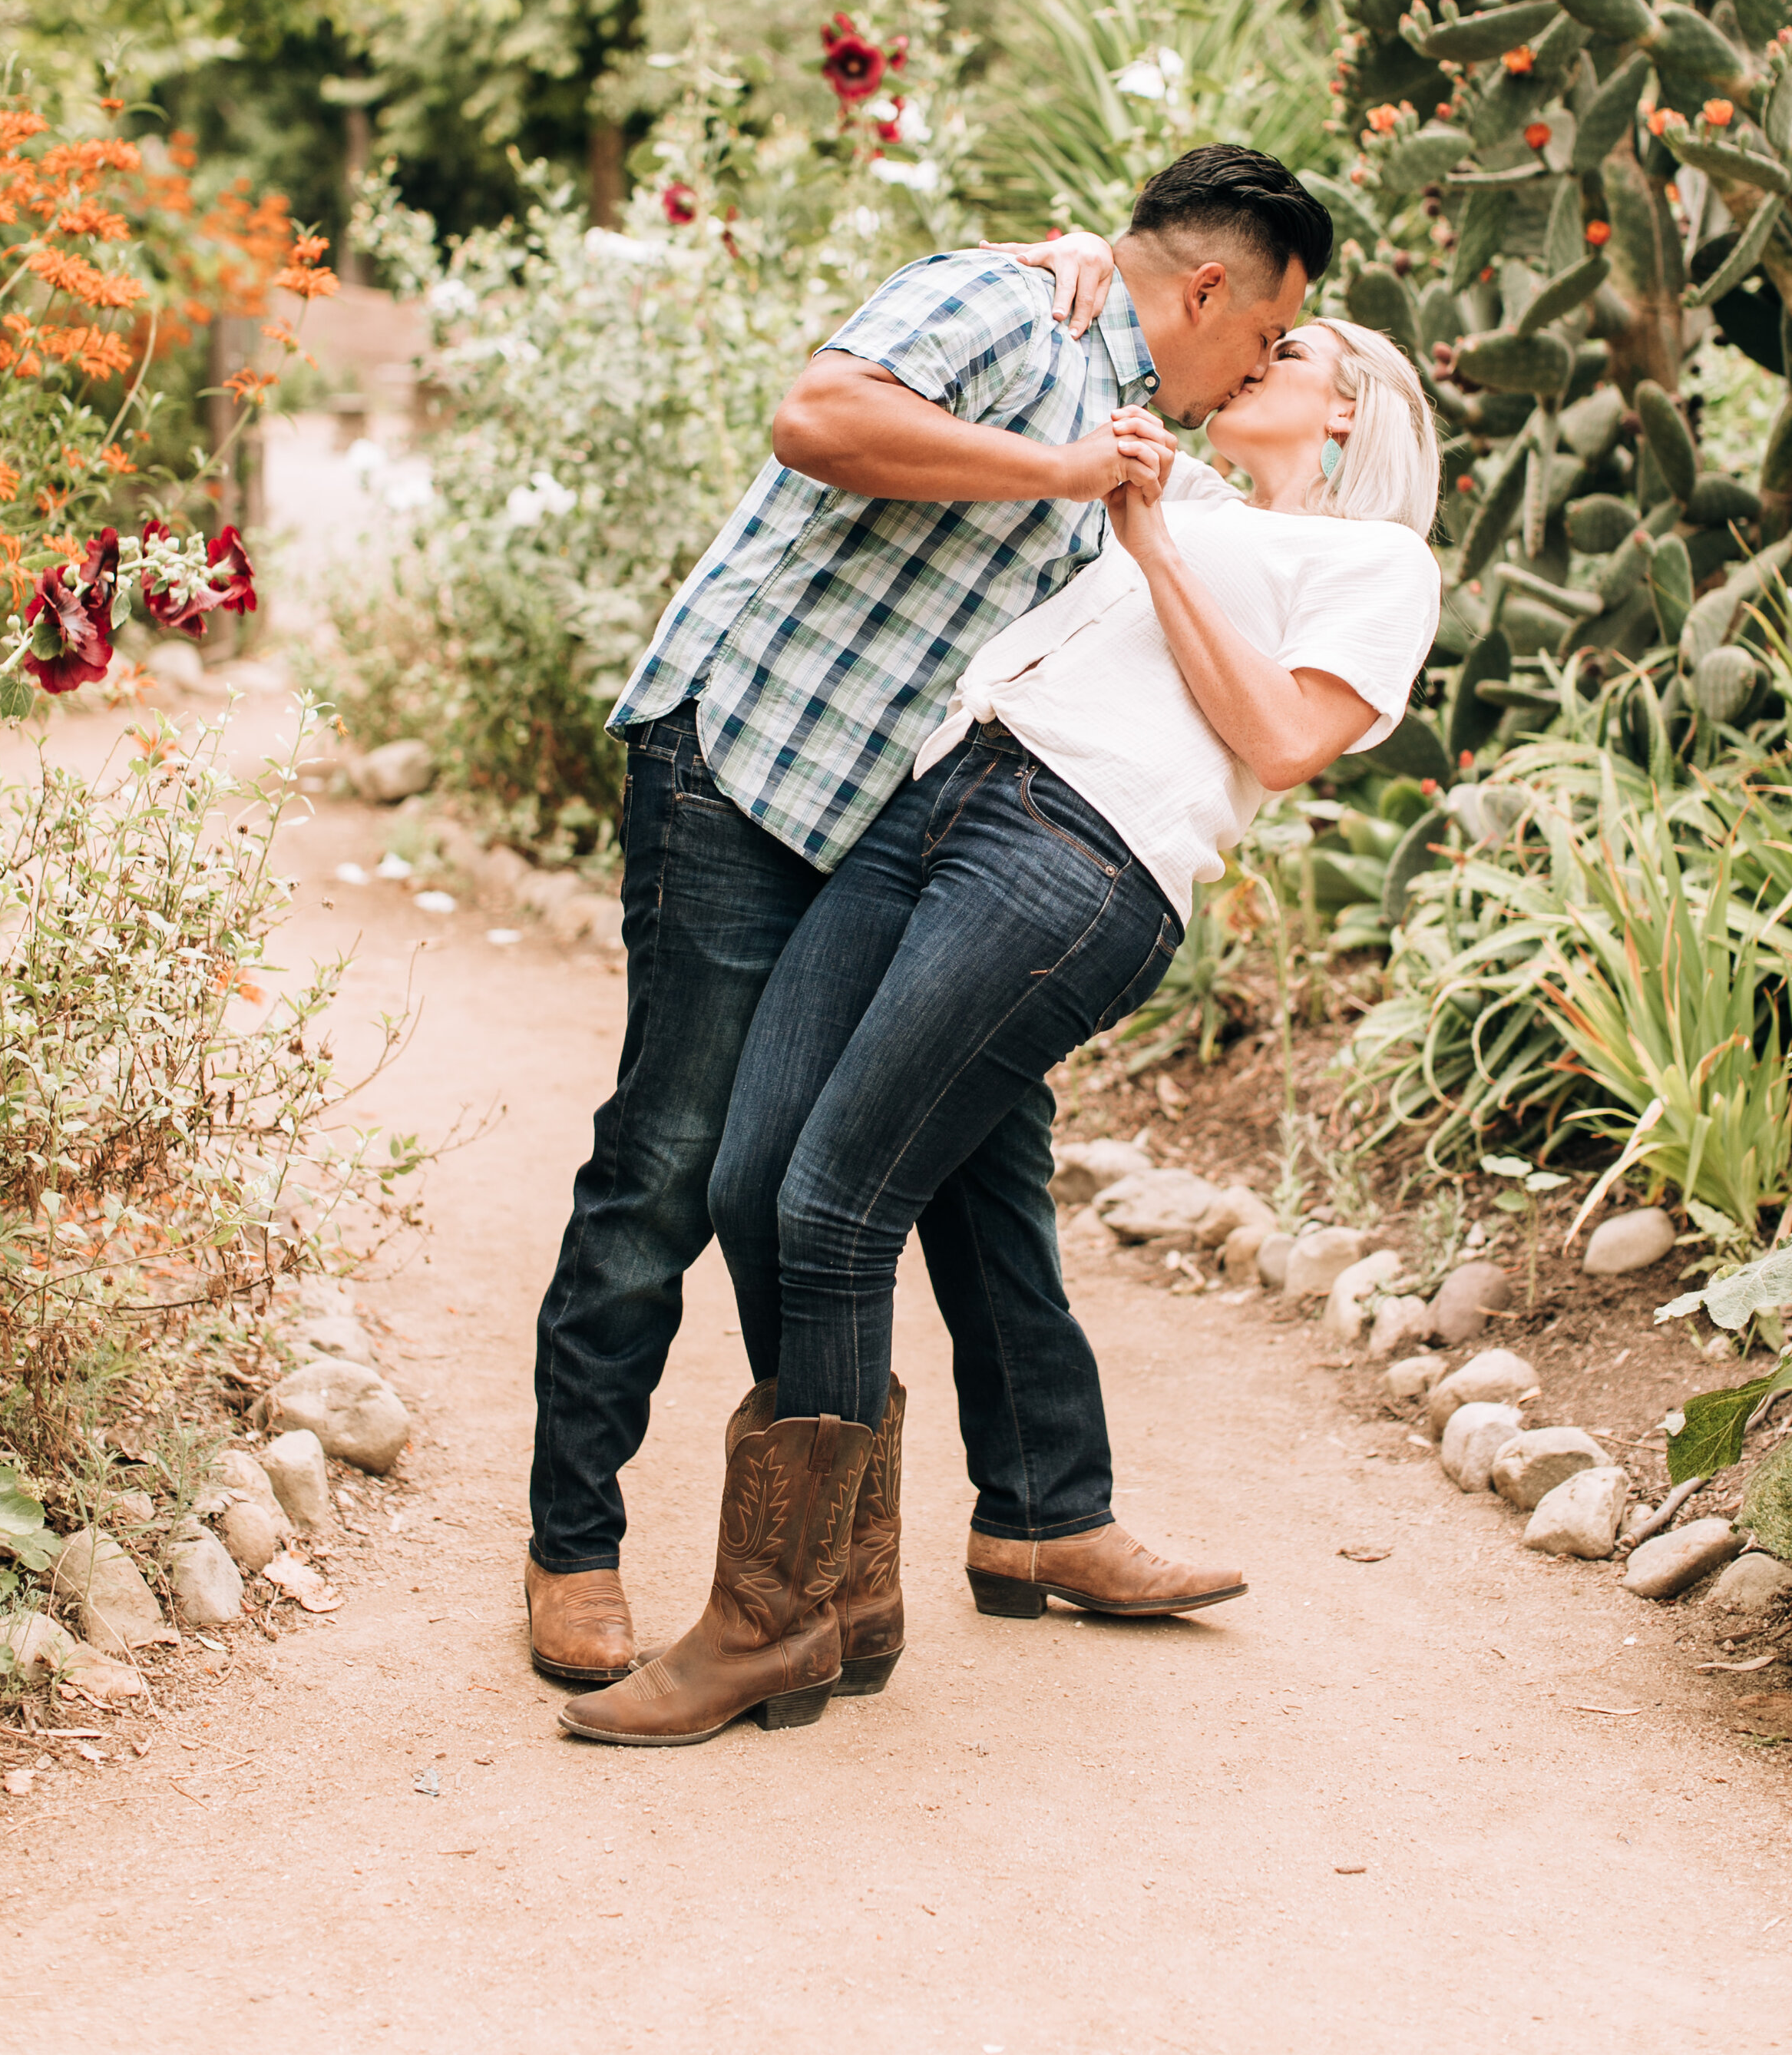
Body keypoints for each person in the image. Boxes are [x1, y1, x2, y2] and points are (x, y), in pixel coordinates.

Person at [560, 316, 1440, 1746]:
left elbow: (1281, 740)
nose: (1260, 356)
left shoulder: (1372, 566)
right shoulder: (1184, 488)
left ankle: (777, 1618)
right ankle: (860, 1582)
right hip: (941, 796)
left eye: (1296, 353)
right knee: (748, 1177)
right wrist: (1071, 261)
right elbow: (1150, 304)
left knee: (837, 1204)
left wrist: (1152, 544)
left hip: (1078, 859)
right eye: (1262, 337)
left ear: (1349, 414)